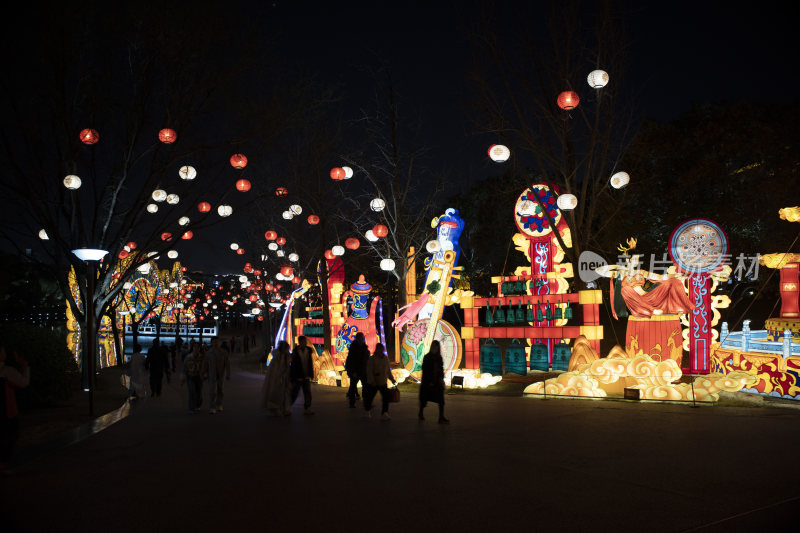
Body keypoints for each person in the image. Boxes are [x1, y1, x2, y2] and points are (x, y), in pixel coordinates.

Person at [0, 346, 30, 473]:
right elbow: (23, 382)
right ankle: (2, 464)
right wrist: (25, 367)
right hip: (7, 410)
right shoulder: (6, 371)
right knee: (10, 435)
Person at [363, 343, 396, 420]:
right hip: (374, 382)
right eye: (379, 349)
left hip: (383, 381)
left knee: (385, 398)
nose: (381, 351)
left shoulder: (385, 359)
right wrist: (372, 381)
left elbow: (388, 370)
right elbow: (369, 371)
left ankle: (384, 412)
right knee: (370, 397)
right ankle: (367, 411)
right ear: (376, 350)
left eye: (382, 349)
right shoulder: (372, 359)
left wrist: (392, 379)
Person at [419, 340, 449, 424]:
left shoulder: (439, 358)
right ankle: (420, 412)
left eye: (436, 346)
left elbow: (441, 369)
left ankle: (441, 417)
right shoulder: (427, 357)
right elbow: (425, 370)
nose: (434, 348)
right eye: (433, 346)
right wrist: (429, 380)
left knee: (441, 400)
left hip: (437, 382)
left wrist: (441, 378)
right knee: (424, 399)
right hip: (428, 382)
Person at [261, 341, 291, 416]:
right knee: (277, 394)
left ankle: (284, 408)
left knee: (284, 394)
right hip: (277, 380)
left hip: (284, 379)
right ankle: (277, 408)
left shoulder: (286, 357)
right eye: (287, 349)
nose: (288, 350)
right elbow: (274, 371)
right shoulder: (277, 358)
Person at [204, 337, 231, 414]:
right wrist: (203, 373)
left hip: (221, 374)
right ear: (211, 343)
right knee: (212, 391)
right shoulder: (208, 353)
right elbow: (205, 364)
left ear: (219, 343)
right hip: (212, 374)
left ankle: (219, 404)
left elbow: (227, 364)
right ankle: (212, 407)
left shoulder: (224, 352)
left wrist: (228, 374)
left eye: (217, 342)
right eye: (214, 342)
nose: (216, 343)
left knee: (220, 390)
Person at [289, 336, 315, 415]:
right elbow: (293, 365)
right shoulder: (296, 351)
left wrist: (311, 374)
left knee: (307, 392)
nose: (304, 343)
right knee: (295, 392)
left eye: (305, 342)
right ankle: (288, 406)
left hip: (306, 376)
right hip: (298, 376)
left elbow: (310, 364)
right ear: (300, 342)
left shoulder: (309, 351)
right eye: (303, 342)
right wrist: (293, 377)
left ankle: (307, 408)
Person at [344, 332, 369, 408]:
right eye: (361, 338)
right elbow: (351, 360)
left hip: (363, 370)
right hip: (355, 370)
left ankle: (366, 401)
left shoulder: (364, 347)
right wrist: (352, 371)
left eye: (363, 338)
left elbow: (366, 359)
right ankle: (352, 402)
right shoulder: (354, 348)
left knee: (365, 386)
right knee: (353, 386)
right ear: (358, 339)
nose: (362, 339)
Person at [182, 343, 205, 413]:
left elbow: (205, 366)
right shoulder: (188, 357)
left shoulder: (202, 357)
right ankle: (191, 408)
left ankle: (198, 405)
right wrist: (183, 376)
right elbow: (184, 367)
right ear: (192, 348)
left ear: (199, 349)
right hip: (190, 376)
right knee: (192, 392)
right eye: (195, 347)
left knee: (199, 393)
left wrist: (205, 374)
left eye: (198, 348)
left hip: (199, 377)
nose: (196, 349)